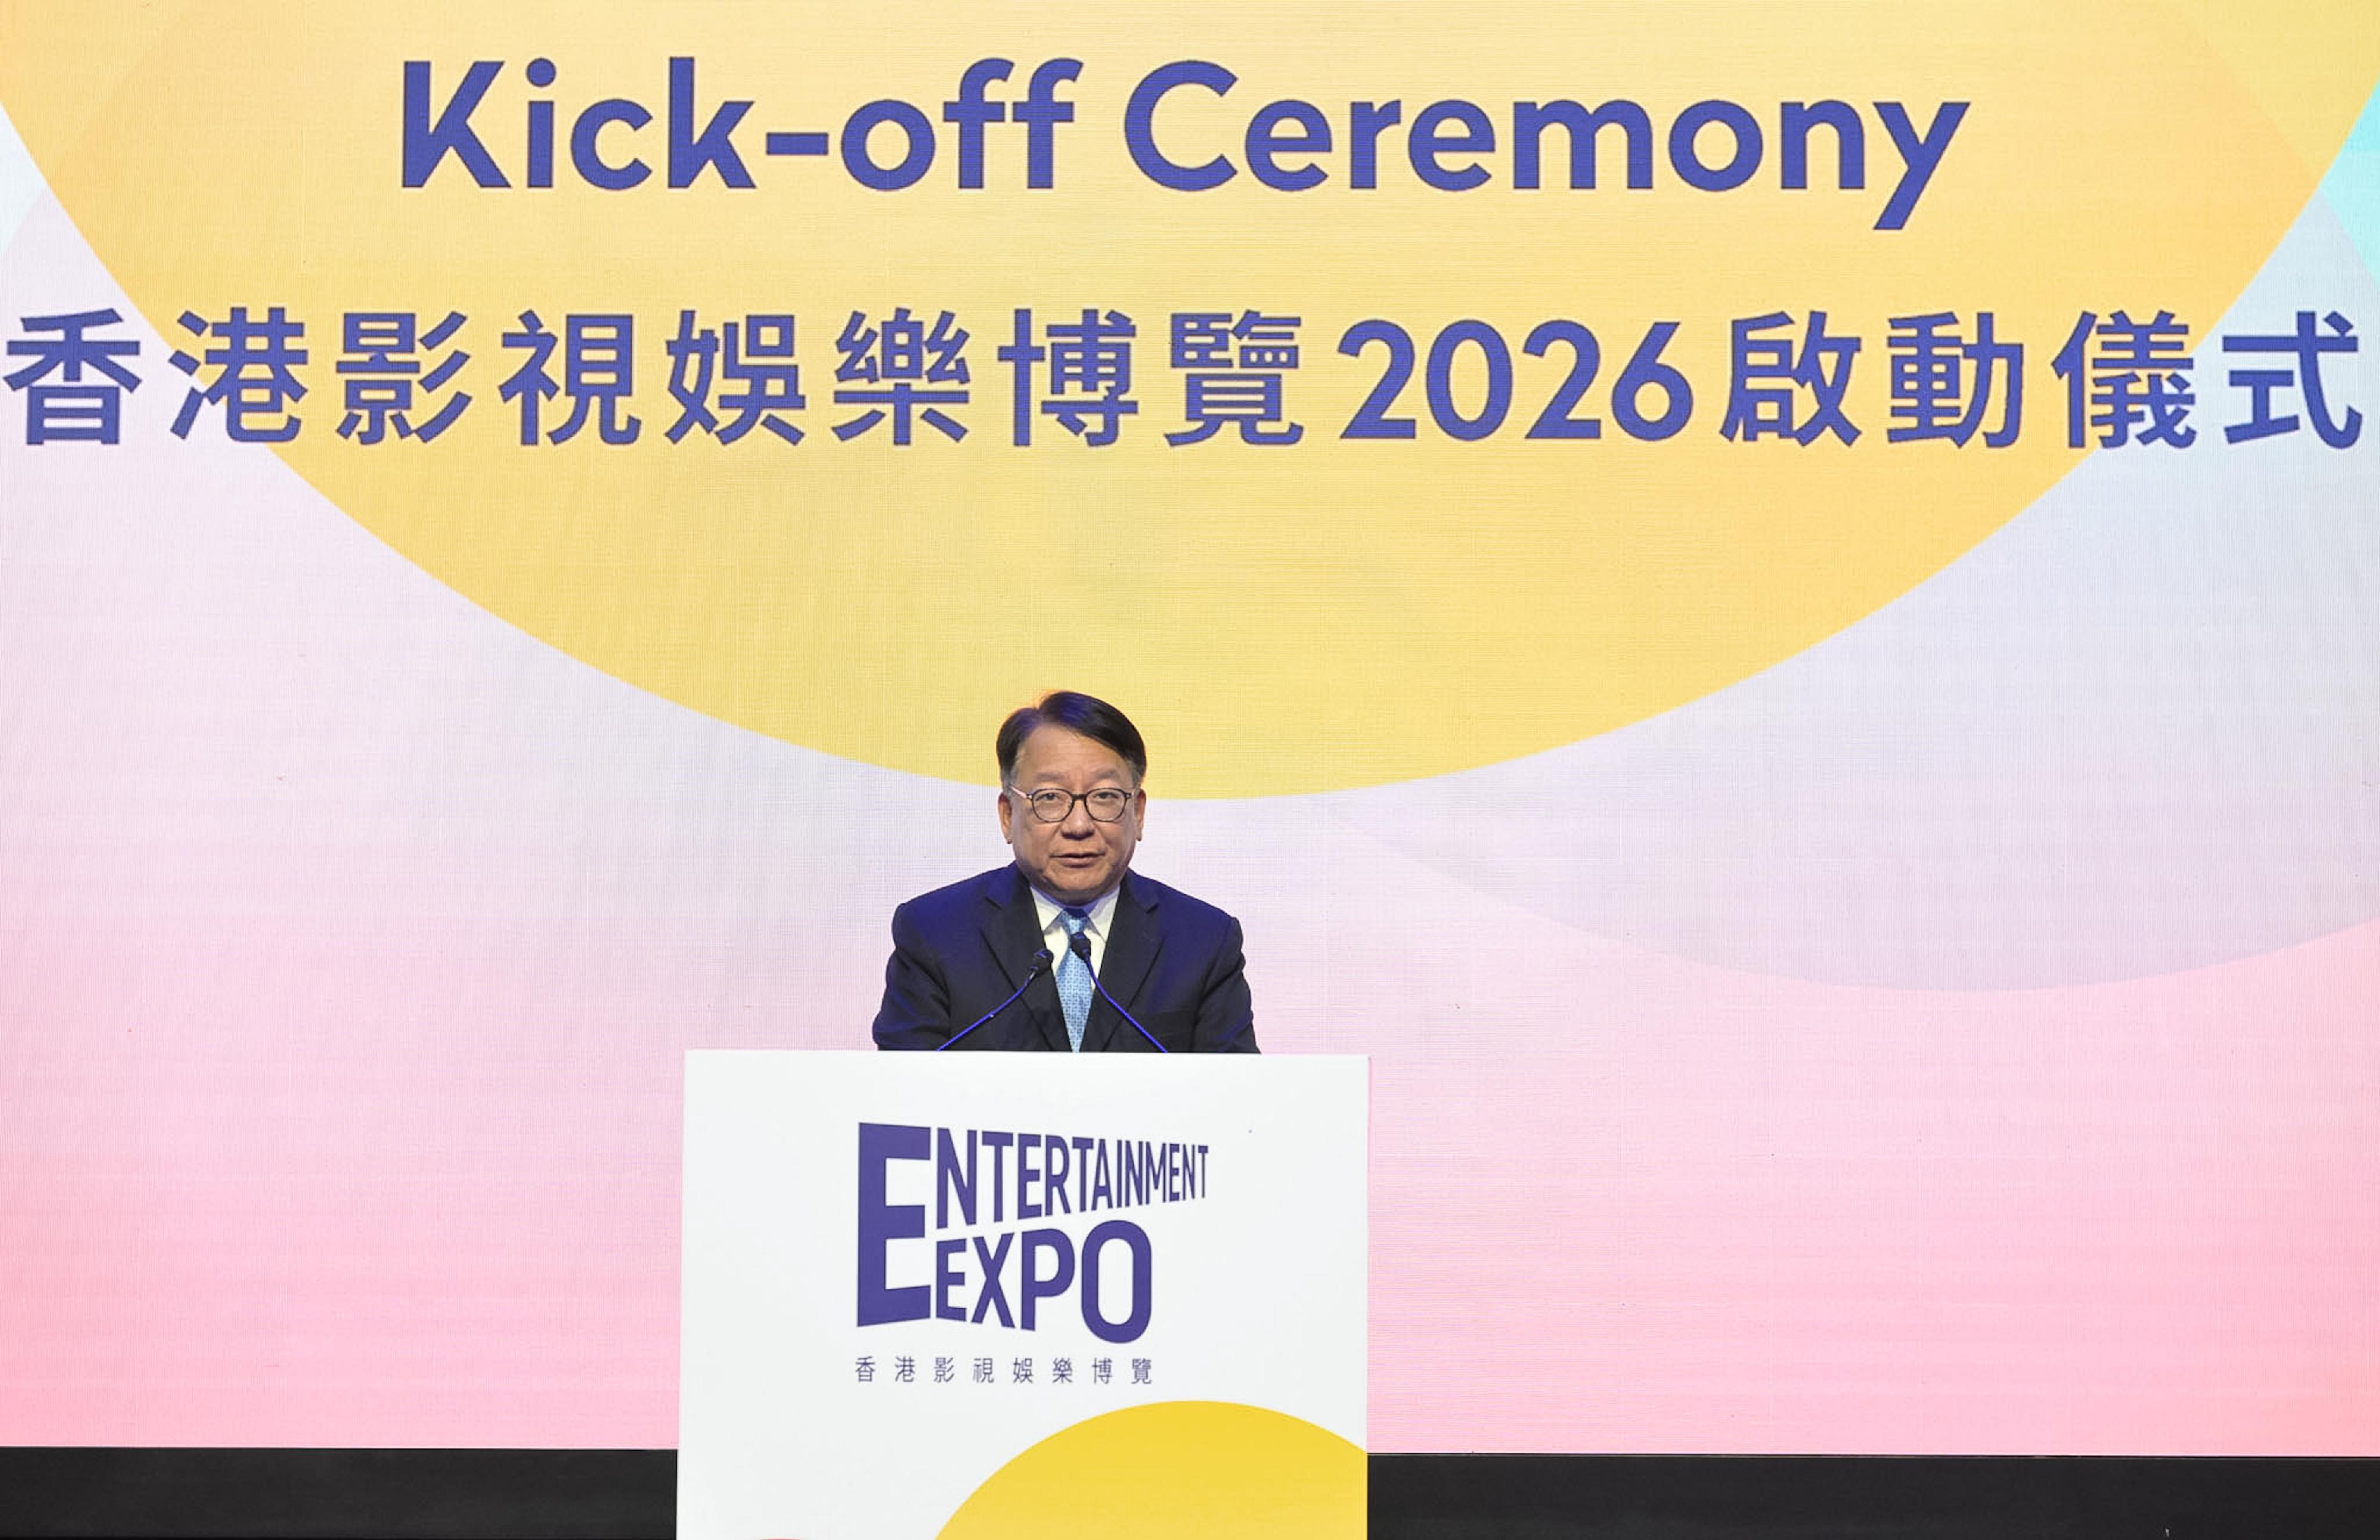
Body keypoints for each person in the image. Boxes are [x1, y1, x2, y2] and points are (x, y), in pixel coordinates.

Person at [872, 691, 1258, 1052]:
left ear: (1138, 813)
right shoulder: (935, 932)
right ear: (1007, 815)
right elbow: (899, 1088)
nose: (1078, 826)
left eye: (1104, 797)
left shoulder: (1205, 941)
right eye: (1050, 798)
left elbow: (1236, 1094)